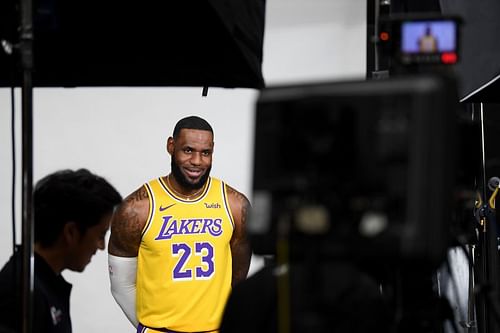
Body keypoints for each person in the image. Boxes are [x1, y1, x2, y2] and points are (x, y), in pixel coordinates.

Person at [108, 115, 251, 333]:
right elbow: (122, 285)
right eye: (188, 150)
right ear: (171, 146)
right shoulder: (137, 209)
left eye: (205, 153)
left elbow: (238, 281)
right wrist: (149, 328)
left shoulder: (235, 205)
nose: (197, 161)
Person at [0, 168, 122, 333]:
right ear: (71, 232)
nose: (101, 246)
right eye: (101, 235)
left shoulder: (43, 285)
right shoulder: (20, 293)